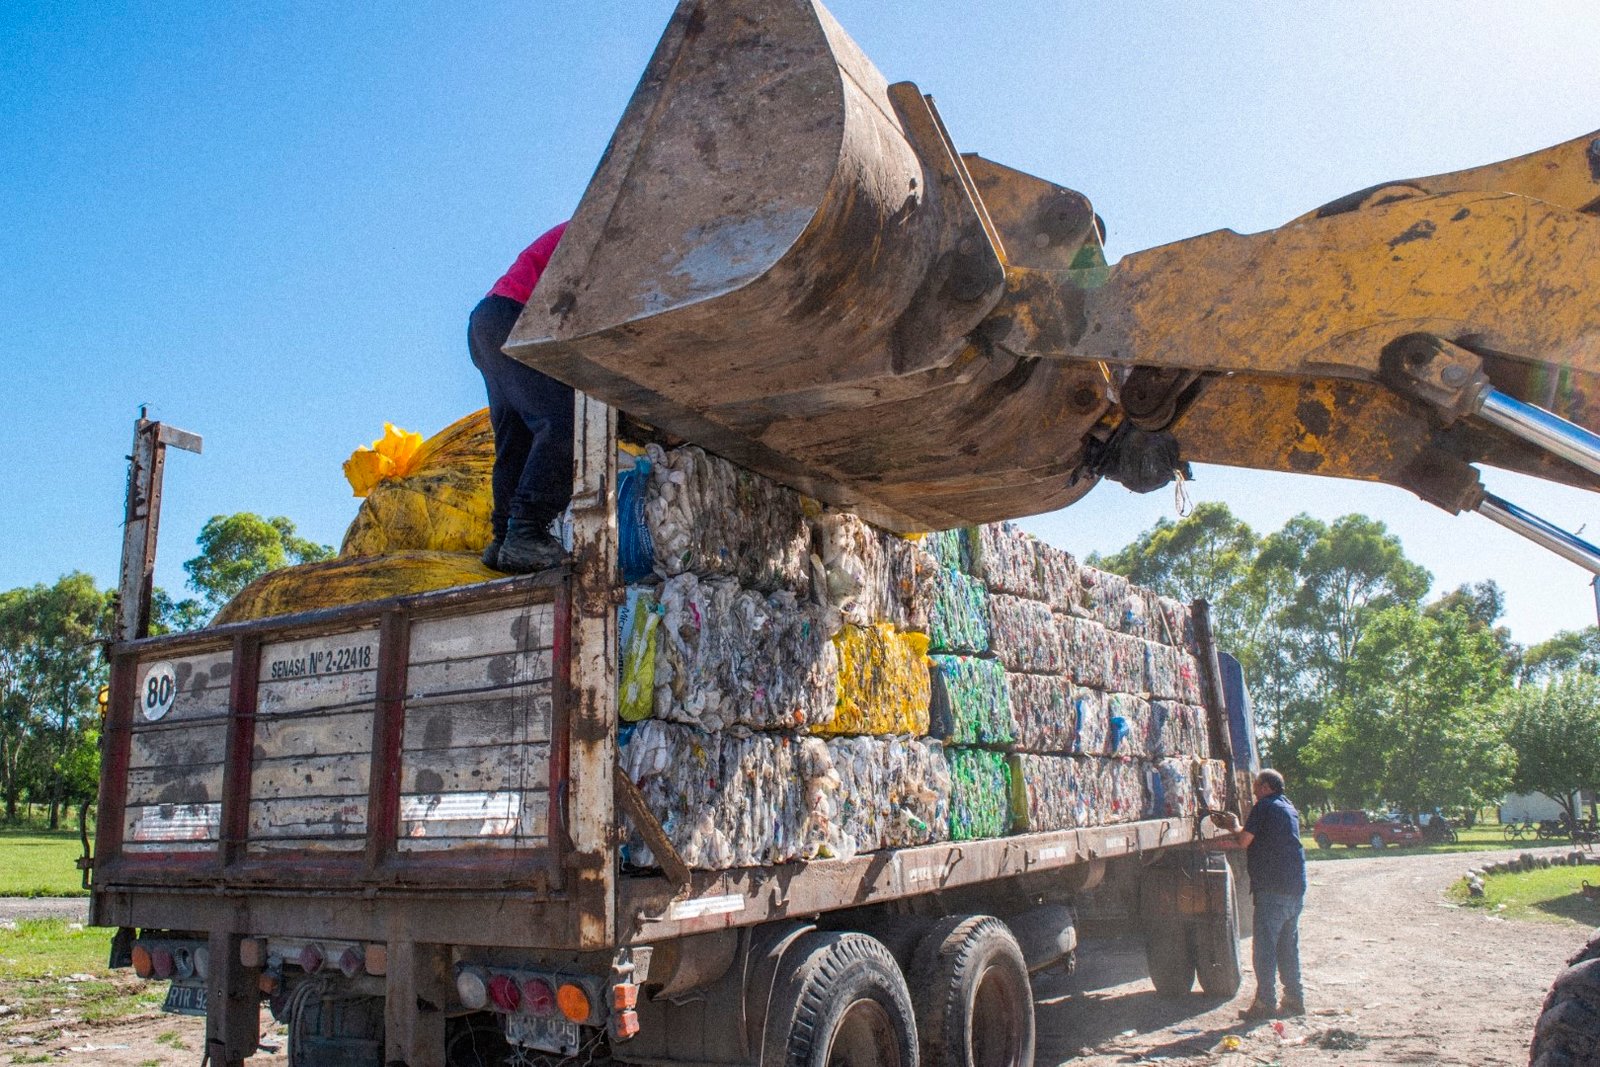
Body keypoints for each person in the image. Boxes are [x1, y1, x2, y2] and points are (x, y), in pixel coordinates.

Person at [469, 222, 572, 573]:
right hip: (514, 315)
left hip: (488, 321)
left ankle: (502, 538)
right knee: (565, 420)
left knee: (517, 437)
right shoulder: (604, 225)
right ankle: (526, 530)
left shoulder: (588, 223)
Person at [1209, 768, 1307, 1020]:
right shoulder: (1288, 807)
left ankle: (1265, 1003)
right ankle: (1294, 998)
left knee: (1265, 948)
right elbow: (1262, 837)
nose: (1253, 792)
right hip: (1295, 888)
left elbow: (1244, 840)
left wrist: (1233, 826)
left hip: (1272, 889)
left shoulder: (1263, 806)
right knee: (1288, 947)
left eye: (1256, 787)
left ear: (1265, 787)